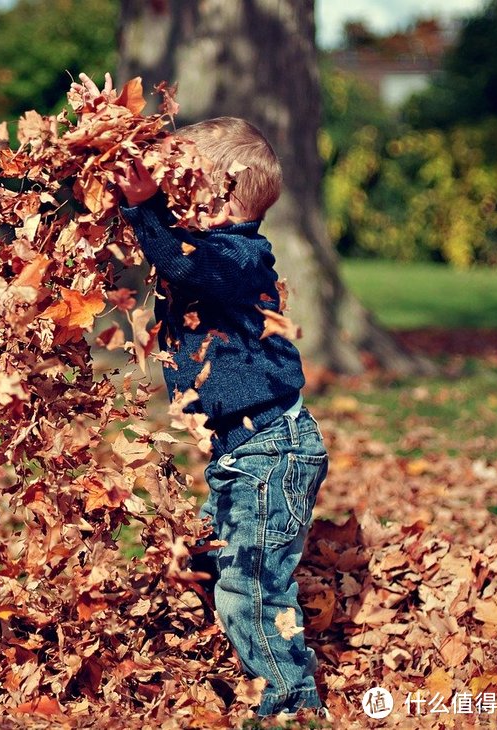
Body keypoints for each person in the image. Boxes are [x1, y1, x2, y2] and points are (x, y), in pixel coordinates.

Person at [116, 116, 330, 718]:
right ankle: (228, 659)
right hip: (243, 453)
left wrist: (144, 209)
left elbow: (182, 265)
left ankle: (291, 701)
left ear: (219, 193)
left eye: (181, 190)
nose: (171, 202)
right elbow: (173, 260)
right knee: (210, 555)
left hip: (271, 451)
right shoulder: (212, 253)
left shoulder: (239, 257)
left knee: (253, 590)